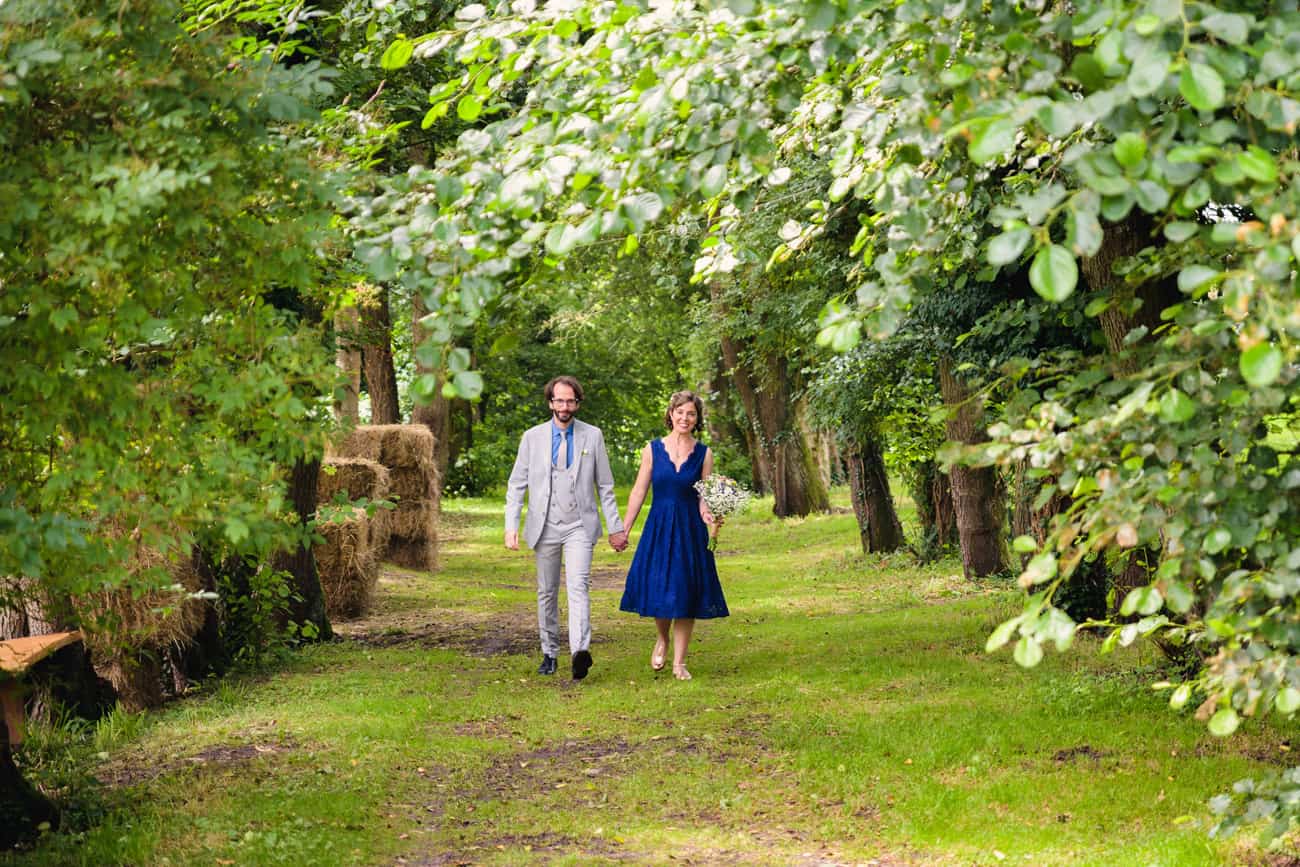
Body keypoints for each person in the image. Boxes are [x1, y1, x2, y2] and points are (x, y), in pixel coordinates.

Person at [505, 376, 628, 680]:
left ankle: (579, 652)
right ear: (550, 403)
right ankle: (549, 652)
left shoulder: (593, 436)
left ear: (577, 403)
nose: (564, 406)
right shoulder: (532, 438)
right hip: (544, 523)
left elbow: (606, 486)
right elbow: (516, 484)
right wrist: (512, 525)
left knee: (579, 586)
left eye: (570, 401)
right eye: (559, 401)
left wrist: (615, 527)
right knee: (546, 591)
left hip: (579, 525)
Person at [619, 390, 729, 681]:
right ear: (670, 414)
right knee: (659, 587)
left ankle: (679, 662)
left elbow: (703, 497)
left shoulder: (705, 453)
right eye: (680, 412)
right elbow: (639, 491)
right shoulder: (652, 449)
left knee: (685, 591)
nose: (684, 417)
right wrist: (625, 529)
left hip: (689, 528)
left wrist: (709, 516)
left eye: (691, 414)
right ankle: (662, 638)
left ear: (697, 419)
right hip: (659, 526)